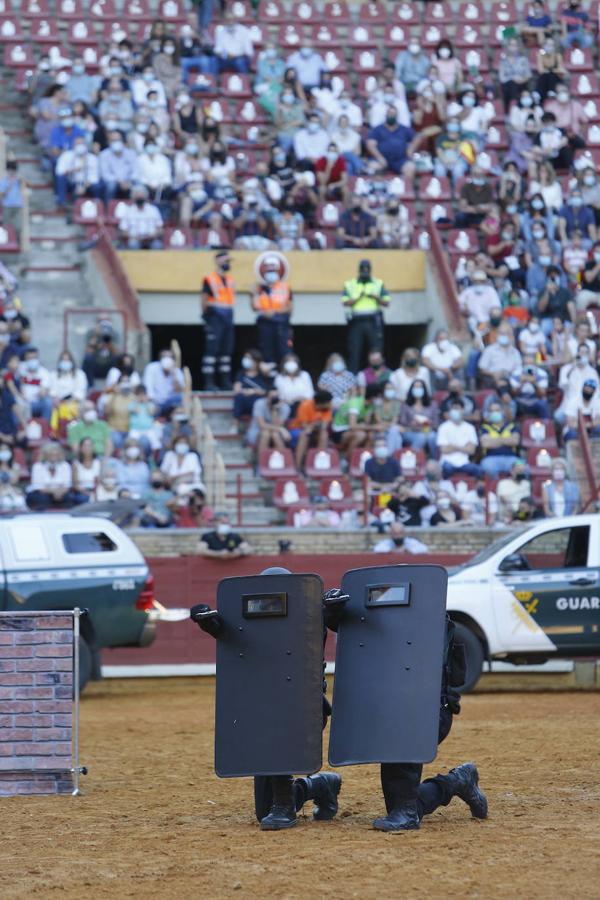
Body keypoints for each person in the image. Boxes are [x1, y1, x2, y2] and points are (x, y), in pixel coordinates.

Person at [342, 259, 390, 374]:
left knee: (377, 351)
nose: (365, 272)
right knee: (355, 351)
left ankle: (380, 377)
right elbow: (345, 302)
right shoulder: (350, 284)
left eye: (367, 270)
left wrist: (375, 297)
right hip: (356, 321)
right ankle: (353, 380)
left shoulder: (378, 283)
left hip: (373, 321)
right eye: (363, 270)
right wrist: (358, 297)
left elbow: (387, 302)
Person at [201, 250, 236, 391]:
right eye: (225, 261)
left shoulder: (230, 280)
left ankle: (225, 382)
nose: (227, 264)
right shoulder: (209, 279)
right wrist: (207, 317)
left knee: (226, 352)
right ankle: (209, 383)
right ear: (218, 261)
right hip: (215, 318)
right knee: (212, 351)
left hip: (228, 318)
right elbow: (204, 300)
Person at [251, 256, 293, 366]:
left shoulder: (285, 287)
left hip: (281, 324)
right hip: (265, 323)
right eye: (268, 270)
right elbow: (255, 307)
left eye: (273, 270)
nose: (271, 273)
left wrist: (274, 312)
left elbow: (289, 307)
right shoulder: (259, 288)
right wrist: (253, 293)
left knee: (284, 352)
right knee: (267, 353)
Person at [26, 442, 88, 510]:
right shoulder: (37, 466)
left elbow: (67, 485)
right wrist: (54, 492)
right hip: (42, 493)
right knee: (42, 499)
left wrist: (59, 492)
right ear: (45, 455)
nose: (54, 456)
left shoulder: (65, 465)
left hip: (61, 493)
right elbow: (38, 487)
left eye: (56, 454)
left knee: (69, 498)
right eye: (51, 454)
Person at [287, 390, 333, 470]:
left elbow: (324, 426)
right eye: (328, 402)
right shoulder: (305, 405)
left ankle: (319, 465)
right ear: (321, 403)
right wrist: (315, 424)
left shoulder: (327, 408)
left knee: (324, 434)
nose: (330, 404)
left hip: (314, 430)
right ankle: (298, 467)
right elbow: (305, 427)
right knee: (304, 435)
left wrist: (314, 426)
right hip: (297, 429)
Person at [366, 106, 416, 177]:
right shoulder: (377, 129)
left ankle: (405, 187)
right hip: (382, 159)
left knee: (410, 167)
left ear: (396, 116)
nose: (391, 116)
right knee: (372, 167)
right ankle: (377, 187)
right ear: (386, 115)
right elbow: (370, 145)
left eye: (393, 114)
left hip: (400, 160)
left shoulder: (404, 129)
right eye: (389, 113)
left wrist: (410, 150)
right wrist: (380, 158)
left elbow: (417, 138)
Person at [437, 401, 480, 478]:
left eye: (457, 409)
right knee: (446, 469)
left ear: (463, 410)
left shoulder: (470, 428)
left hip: (464, 463)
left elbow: (471, 450)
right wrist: (464, 447)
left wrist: (453, 446)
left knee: (478, 470)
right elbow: (443, 449)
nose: (455, 411)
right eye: (453, 409)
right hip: (447, 462)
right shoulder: (443, 427)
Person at [479, 401, 521, 478]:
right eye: (492, 411)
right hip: (490, 458)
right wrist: (506, 440)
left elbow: (515, 441)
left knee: (522, 466)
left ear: (502, 411)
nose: (494, 413)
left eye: (497, 410)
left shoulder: (512, 426)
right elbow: (485, 444)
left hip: (511, 457)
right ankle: (495, 487)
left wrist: (494, 440)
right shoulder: (485, 427)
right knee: (487, 466)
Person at [232, 350, 272, 420]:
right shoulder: (241, 373)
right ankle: (235, 424)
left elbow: (267, 391)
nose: (246, 360)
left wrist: (253, 391)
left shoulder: (262, 374)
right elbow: (236, 390)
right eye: (245, 357)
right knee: (239, 397)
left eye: (249, 358)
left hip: (258, 401)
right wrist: (245, 391)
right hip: (245, 400)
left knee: (260, 402)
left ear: (256, 361)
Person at [143, 349, 184, 415]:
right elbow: (148, 387)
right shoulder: (151, 367)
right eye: (164, 357)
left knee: (179, 407)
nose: (167, 359)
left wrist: (174, 375)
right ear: (160, 359)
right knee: (150, 407)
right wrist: (152, 402)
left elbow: (178, 390)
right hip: (154, 402)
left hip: (170, 403)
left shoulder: (177, 371)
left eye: (169, 357)